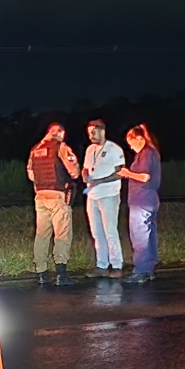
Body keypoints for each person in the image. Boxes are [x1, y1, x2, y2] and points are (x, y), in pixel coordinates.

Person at [26, 122, 80, 286]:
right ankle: (61, 275)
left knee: (41, 235)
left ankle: (42, 273)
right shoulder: (61, 147)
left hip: (40, 195)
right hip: (57, 195)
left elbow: (30, 174)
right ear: (61, 133)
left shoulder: (35, 149)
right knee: (62, 235)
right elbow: (74, 171)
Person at [82, 118, 125, 277]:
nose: (91, 135)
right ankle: (101, 265)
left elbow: (119, 172)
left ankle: (117, 265)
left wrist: (99, 181)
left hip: (109, 194)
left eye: (93, 132)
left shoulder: (114, 149)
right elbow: (86, 168)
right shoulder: (90, 149)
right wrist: (85, 175)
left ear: (102, 130)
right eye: (89, 133)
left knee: (110, 231)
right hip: (92, 195)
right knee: (96, 232)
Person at [118, 124, 161, 283]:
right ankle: (148, 268)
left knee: (140, 235)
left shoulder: (146, 154)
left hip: (141, 200)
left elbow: (144, 177)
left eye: (131, 142)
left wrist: (126, 173)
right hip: (148, 199)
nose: (130, 147)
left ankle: (140, 271)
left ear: (140, 139)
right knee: (148, 235)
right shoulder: (150, 153)